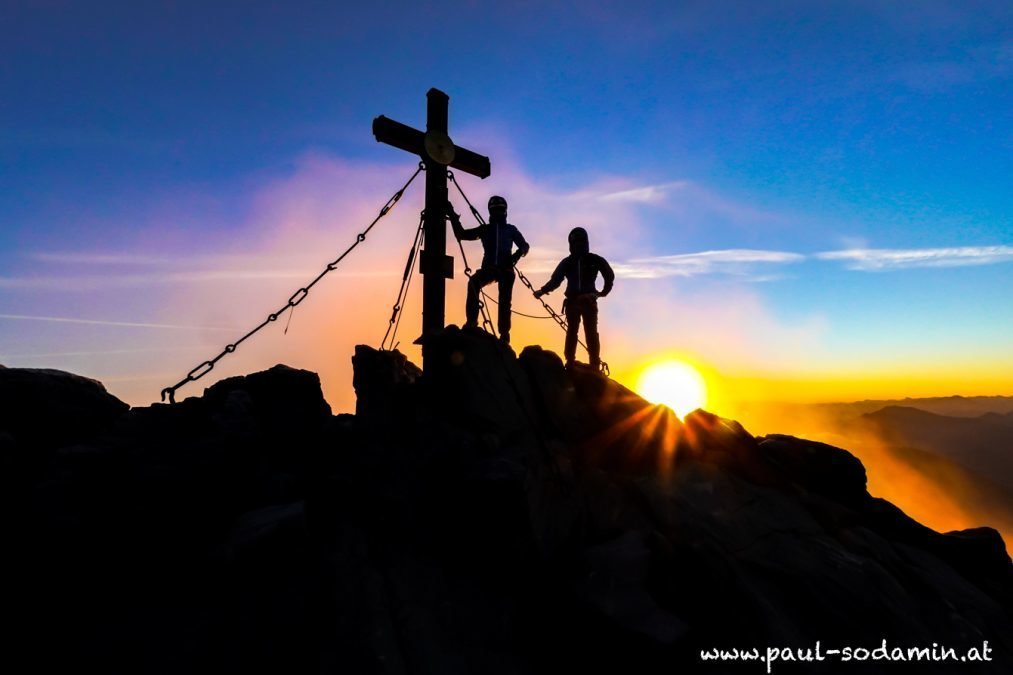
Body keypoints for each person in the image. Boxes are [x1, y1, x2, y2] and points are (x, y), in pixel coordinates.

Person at [446, 195, 530, 345]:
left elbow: (525, 246)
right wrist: (452, 215)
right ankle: (473, 322)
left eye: (500, 210)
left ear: (504, 211)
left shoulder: (509, 229)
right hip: (492, 269)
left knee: (504, 301)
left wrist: (517, 255)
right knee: (475, 284)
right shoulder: (486, 229)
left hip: (505, 270)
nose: (498, 213)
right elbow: (462, 234)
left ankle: (503, 334)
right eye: (496, 210)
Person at [533, 227, 614, 370]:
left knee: (578, 332)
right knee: (585, 332)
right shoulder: (591, 260)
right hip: (581, 302)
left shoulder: (571, 261)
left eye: (579, 242)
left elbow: (556, 280)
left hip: (579, 302)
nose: (578, 245)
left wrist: (602, 293)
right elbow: (609, 275)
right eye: (577, 242)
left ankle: (575, 362)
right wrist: (601, 293)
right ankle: (589, 363)